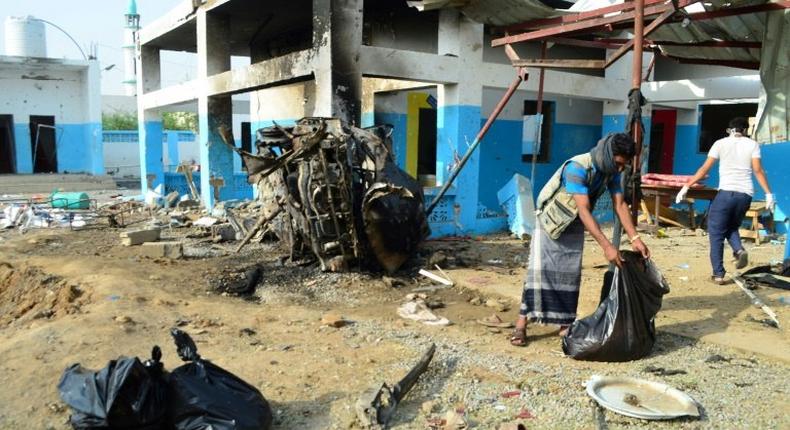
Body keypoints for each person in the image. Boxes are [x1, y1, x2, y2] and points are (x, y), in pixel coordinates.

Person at [510, 132, 650, 347]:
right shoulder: (577, 167)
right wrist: (607, 247)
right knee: (540, 272)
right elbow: (584, 210)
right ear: (609, 154)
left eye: (625, 165)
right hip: (551, 221)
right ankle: (521, 325)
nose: (621, 169)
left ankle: (565, 325)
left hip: (573, 221)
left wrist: (635, 237)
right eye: (620, 163)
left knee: (569, 273)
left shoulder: (611, 170)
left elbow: (620, 205)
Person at [675, 117, 774, 284]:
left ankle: (718, 274)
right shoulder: (753, 145)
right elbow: (758, 170)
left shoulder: (720, 143)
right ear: (746, 130)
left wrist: (686, 186)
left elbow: (705, 168)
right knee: (732, 226)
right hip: (745, 194)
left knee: (716, 233)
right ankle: (739, 249)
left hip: (726, 194)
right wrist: (768, 193)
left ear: (729, 130)